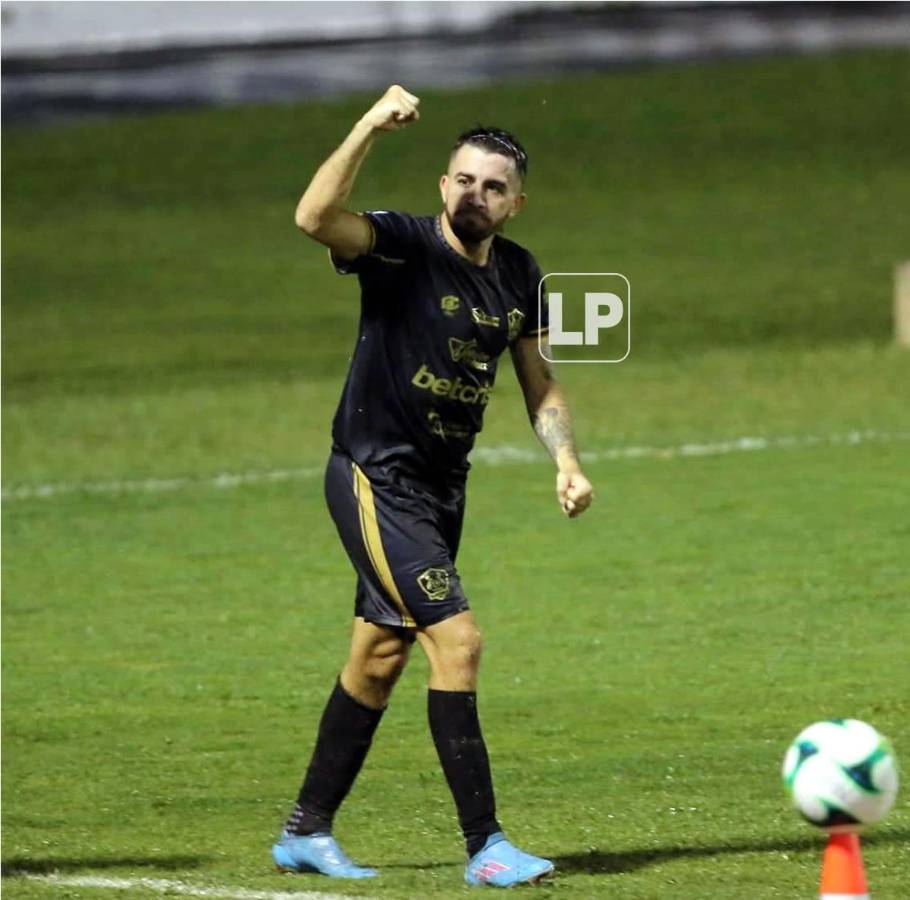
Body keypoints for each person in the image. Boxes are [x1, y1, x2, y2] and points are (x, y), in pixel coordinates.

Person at [272, 85, 594, 888]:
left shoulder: (520, 274)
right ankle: (485, 846)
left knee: (379, 657)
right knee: (458, 640)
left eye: (491, 185)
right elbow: (314, 218)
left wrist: (566, 458)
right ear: (441, 185)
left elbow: (539, 380)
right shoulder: (398, 246)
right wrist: (369, 125)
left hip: (442, 491)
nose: (473, 194)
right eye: (462, 179)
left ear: (515, 203)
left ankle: (306, 831)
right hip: (374, 479)